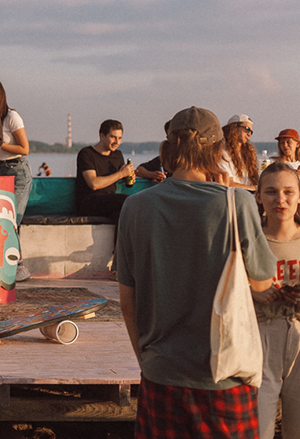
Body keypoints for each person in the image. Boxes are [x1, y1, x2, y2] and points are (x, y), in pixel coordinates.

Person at [117, 106, 276, 439]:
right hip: (224, 377)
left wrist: (148, 363)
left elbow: (128, 304)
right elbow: (262, 281)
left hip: (161, 374)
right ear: (217, 150)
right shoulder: (236, 203)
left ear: (168, 149)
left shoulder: (134, 208)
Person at [252, 162, 300, 439]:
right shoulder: (249, 240)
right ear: (258, 196)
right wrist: (253, 292)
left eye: (288, 191)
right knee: (259, 428)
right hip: (260, 337)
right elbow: (219, 286)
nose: (279, 200)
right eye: (270, 191)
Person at [0, 79, 32, 282]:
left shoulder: (12, 117)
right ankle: (5, 264)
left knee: (12, 220)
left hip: (17, 171)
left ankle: (20, 267)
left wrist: (1, 144)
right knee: (1, 219)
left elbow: (25, 148)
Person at [75, 119, 135, 222]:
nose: (117, 142)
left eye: (119, 138)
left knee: (120, 216)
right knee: (126, 200)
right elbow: (93, 184)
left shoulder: (117, 155)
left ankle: (121, 239)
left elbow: (123, 177)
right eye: (113, 137)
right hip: (88, 202)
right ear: (102, 136)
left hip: (110, 201)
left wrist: (129, 176)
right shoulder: (86, 153)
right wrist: (121, 174)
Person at [219, 114, 258, 191]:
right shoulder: (222, 152)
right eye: (247, 129)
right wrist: (255, 188)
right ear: (234, 128)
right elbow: (229, 184)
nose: (249, 134)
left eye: (251, 132)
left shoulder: (247, 154)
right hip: (233, 197)